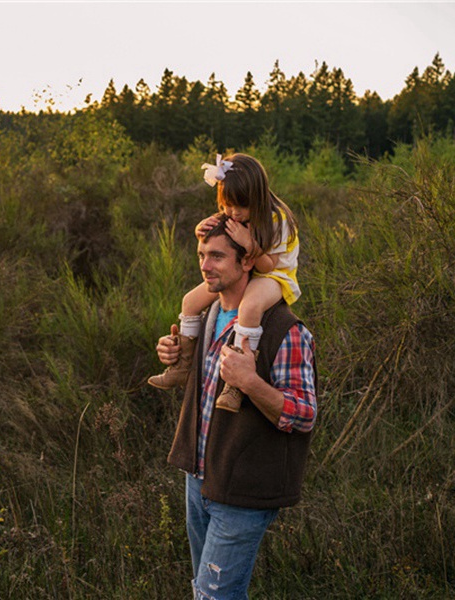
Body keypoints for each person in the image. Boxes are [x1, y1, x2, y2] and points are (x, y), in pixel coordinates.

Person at [155, 216, 317, 599]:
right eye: (201, 255)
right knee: (205, 592)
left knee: (214, 597)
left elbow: (304, 415)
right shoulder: (208, 316)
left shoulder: (285, 329)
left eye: (216, 256)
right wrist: (173, 353)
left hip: (243, 489)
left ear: (247, 262)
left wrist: (250, 382)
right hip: (198, 479)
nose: (204, 265)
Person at [148, 153, 300, 414]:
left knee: (250, 308)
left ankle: (236, 383)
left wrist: (248, 243)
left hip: (275, 276)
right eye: (227, 205)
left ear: (257, 198)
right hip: (248, 271)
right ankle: (183, 365)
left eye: (240, 206)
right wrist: (201, 228)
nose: (233, 213)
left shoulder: (277, 219)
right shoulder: (235, 215)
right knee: (190, 301)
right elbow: (217, 236)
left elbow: (268, 266)